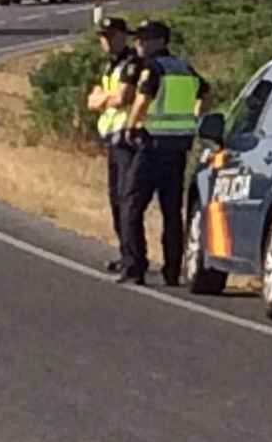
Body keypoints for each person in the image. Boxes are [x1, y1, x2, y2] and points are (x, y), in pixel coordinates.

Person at [116, 19, 212, 286]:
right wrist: (195, 118)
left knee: (131, 205)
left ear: (160, 41)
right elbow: (206, 93)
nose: (139, 44)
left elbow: (143, 100)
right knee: (172, 211)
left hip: (152, 145)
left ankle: (135, 268)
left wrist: (131, 127)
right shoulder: (184, 68)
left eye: (145, 39)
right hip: (178, 147)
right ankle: (172, 272)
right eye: (138, 39)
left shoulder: (153, 69)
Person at [85, 17, 141, 273]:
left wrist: (104, 98)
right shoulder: (111, 66)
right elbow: (92, 101)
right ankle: (125, 253)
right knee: (116, 200)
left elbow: (124, 97)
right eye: (103, 36)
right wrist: (108, 97)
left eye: (111, 36)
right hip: (112, 139)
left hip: (127, 139)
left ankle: (133, 258)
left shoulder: (132, 63)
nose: (106, 41)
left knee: (126, 199)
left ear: (123, 36)